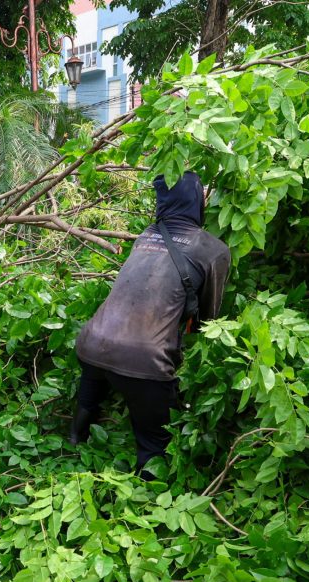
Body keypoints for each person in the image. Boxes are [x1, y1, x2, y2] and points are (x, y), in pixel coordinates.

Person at [70, 171, 230, 475]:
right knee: (155, 445)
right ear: (196, 201)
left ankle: (73, 445)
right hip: (144, 359)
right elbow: (209, 322)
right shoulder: (214, 250)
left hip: (91, 342)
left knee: (90, 398)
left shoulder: (146, 236)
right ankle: (146, 493)